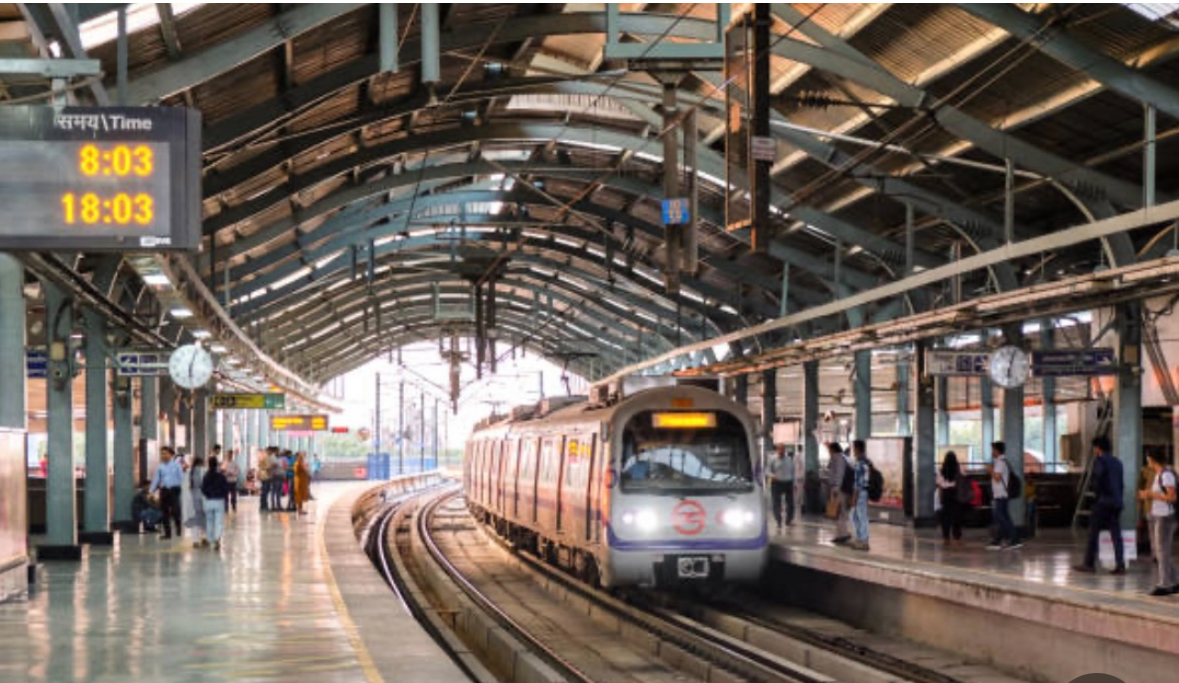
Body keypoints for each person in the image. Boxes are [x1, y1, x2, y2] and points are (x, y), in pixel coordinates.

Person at [1075, 436, 1125, 574]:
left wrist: (1096, 497)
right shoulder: (1118, 462)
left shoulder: (1100, 461)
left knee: (1093, 533)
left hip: (1103, 502)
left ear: (1097, 448)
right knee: (1116, 534)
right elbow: (1120, 484)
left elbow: (1097, 481)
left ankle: (1089, 564)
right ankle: (1120, 564)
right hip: (1117, 502)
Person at [1138, 451, 1177, 596]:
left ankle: (1165, 583)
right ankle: (1173, 580)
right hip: (1157, 515)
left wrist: (1151, 495)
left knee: (1162, 550)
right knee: (1160, 550)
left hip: (1165, 517)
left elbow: (1171, 497)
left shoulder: (1166, 475)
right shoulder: (1158, 474)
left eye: (1148, 458)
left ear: (1152, 459)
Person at [986, 442, 1022, 550]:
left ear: (997, 450)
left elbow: (997, 477)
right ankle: (997, 540)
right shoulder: (1000, 461)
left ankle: (1014, 539)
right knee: (1002, 517)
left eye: (993, 450)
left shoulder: (1000, 462)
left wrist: (990, 470)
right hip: (1000, 494)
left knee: (1001, 517)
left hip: (1001, 494)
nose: (992, 452)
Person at [149, 446, 184, 539]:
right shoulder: (160, 467)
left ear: (171, 455)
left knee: (175, 511)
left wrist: (183, 488)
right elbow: (156, 480)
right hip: (164, 491)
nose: (163, 455)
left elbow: (182, 478)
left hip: (174, 490)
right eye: (162, 453)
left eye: (165, 453)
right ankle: (167, 533)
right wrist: (151, 491)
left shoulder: (177, 465)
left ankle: (178, 528)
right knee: (164, 512)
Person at [201, 455, 231, 551]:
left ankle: (210, 540)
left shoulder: (206, 476)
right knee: (218, 521)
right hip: (219, 500)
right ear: (217, 464)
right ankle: (217, 538)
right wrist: (223, 496)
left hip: (209, 501)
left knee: (209, 521)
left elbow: (203, 488)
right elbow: (226, 488)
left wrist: (207, 495)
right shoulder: (221, 476)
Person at [937, 451, 965, 546]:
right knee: (957, 516)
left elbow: (940, 485)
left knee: (946, 517)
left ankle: (946, 538)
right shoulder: (959, 468)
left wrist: (940, 498)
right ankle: (957, 537)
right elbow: (963, 478)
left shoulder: (941, 470)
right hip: (956, 493)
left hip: (946, 494)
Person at [827, 442, 852, 545]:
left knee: (838, 512)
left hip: (839, 489)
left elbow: (839, 473)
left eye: (829, 449)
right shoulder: (843, 457)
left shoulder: (837, 458)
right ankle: (842, 533)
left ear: (833, 449)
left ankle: (842, 534)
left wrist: (836, 488)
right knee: (841, 512)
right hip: (843, 488)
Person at [848, 440, 870, 551]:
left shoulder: (860, 463)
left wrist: (854, 496)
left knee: (860, 516)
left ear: (857, 449)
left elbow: (858, 482)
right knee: (855, 515)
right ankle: (859, 538)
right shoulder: (865, 461)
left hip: (860, 493)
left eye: (854, 448)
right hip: (863, 492)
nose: (853, 451)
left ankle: (863, 540)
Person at [767, 444, 795, 532]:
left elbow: (793, 471)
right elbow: (767, 470)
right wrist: (772, 475)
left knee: (790, 503)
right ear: (777, 450)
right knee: (776, 502)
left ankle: (788, 520)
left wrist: (794, 483)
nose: (781, 451)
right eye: (780, 449)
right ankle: (778, 520)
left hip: (788, 482)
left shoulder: (789, 459)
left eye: (783, 449)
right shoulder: (772, 459)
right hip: (777, 482)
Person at [186, 455, 209, 548]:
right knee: (205, 519)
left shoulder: (188, 472)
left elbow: (186, 487)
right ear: (201, 463)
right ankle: (205, 538)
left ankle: (195, 540)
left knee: (194, 519)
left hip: (191, 497)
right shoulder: (204, 471)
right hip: (203, 497)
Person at [257, 447, 272, 512]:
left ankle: (262, 506)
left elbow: (259, 466)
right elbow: (268, 467)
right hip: (266, 475)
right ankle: (265, 506)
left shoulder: (260, 457)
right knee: (266, 491)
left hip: (262, 474)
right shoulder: (267, 457)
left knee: (263, 491)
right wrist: (270, 475)